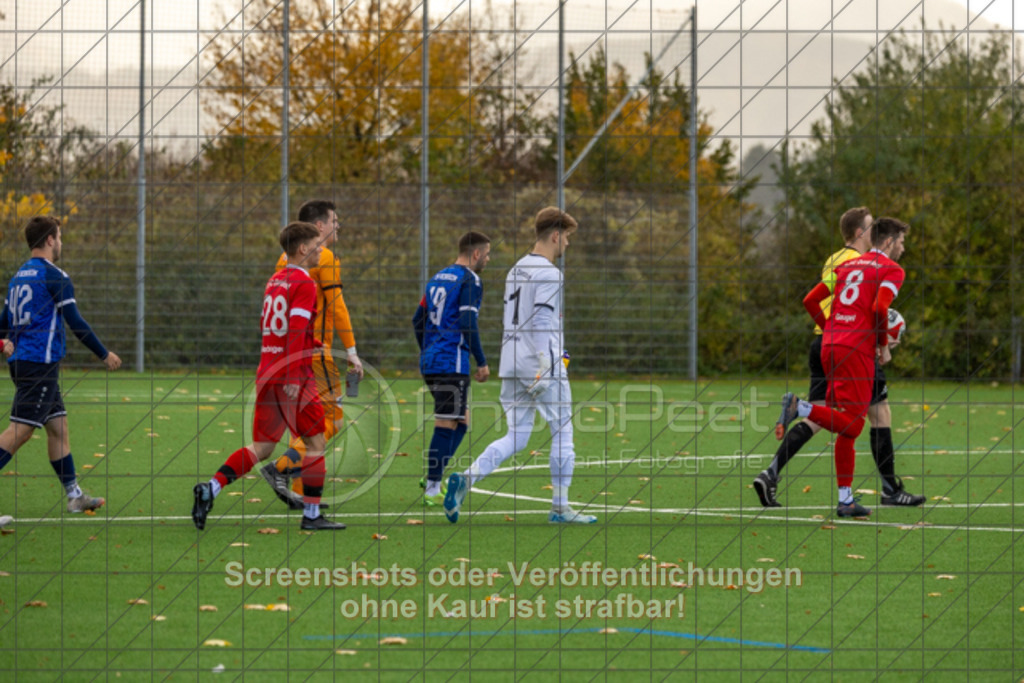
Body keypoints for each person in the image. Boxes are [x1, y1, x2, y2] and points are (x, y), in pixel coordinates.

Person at [754, 208, 924, 508]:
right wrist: (882, 345)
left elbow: (810, 299)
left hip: (829, 343)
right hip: (855, 349)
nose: (903, 248)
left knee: (844, 422)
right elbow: (881, 308)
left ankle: (845, 500)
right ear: (888, 242)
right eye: (900, 242)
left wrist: (831, 327)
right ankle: (800, 406)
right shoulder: (891, 270)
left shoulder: (846, 264)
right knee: (855, 424)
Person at [444, 207, 596, 525]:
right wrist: (546, 360)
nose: (567, 244)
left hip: (511, 363)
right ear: (555, 235)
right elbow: (541, 318)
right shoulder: (550, 273)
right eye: (566, 237)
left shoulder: (516, 269)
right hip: (540, 364)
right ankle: (560, 508)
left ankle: (466, 479)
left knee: (517, 435)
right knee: (563, 431)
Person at [192, 221, 345, 531]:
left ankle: (211, 488)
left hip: (268, 373)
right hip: (294, 379)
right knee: (316, 443)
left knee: (262, 447)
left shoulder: (275, 280)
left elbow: (279, 328)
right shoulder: (304, 283)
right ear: (303, 248)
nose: (322, 250)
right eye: (318, 245)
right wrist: (292, 374)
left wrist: (313, 346)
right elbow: (297, 327)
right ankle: (312, 517)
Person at [0, 216, 122, 522]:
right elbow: (76, 322)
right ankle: (74, 495)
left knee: (59, 428)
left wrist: (4, 344)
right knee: (20, 432)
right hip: (38, 365)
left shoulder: (18, 278)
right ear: (50, 240)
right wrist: (103, 353)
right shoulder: (55, 276)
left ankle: (74, 496)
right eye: (60, 236)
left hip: (26, 364)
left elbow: (2, 324)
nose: (62, 242)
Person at [258, 199, 364, 510]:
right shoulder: (326, 256)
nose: (337, 226)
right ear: (319, 227)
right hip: (317, 352)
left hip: (292, 353)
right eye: (334, 220)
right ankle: (281, 469)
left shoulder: (284, 258)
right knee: (329, 420)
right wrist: (353, 351)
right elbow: (338, 306)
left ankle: (304, 493)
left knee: (308, 423)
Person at [412, 231, 491, 506]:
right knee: (447, 421)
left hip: (432, 360)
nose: (488, 259)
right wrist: (480, 360)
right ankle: (433, 488)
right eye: (487, 253)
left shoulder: (437, 278)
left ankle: (434, 474)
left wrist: (428, 348)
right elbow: (468, 321)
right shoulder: (471, 279)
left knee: (462, 420)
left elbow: (417, 319)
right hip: (451, 361)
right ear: (477, 253)